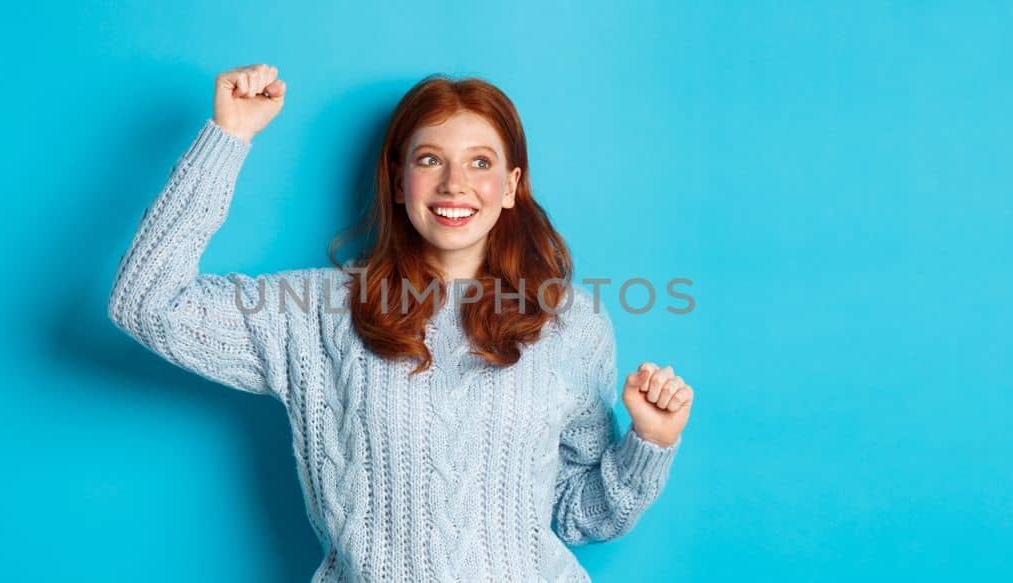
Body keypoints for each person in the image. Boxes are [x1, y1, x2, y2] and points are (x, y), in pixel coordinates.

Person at [108, 63, 696, 582]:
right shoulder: (315, 313)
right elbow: (147, 302)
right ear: (397, 180)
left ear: (510, 187)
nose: (454, 184)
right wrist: (228, 136)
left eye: (480, 162)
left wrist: (652, 442)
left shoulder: (571, 323)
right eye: (430, 159)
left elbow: (576, 513)